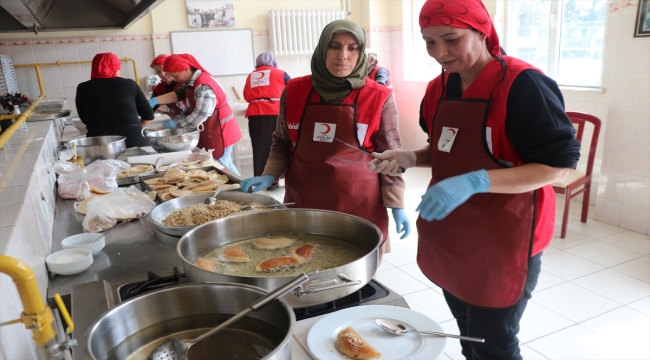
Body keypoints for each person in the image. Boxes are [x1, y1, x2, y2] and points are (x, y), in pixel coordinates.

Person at [368, 1, 581, 359]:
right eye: (430, 42)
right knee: (469, 333)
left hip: (506, 240)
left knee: (494, 344)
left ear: (481, 31)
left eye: (451, 39)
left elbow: (557, 167)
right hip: (456, 236)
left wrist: (474, 182)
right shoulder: (440, 89)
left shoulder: (523, 85)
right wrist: (410, 158)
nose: (440, 53)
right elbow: (447, 149)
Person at [240, 20, 411, 259]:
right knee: (301, 261)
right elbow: (281, 142)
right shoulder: (295, 91)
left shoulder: (378, 97)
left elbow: (390, 155)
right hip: (305, 198)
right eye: (334, 46)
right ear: (322, 49)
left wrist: (396, 204)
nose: (343, 55)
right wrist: (269, 174)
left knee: (354, 267)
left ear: (362, 53)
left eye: (353, 48)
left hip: (358, 201)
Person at [149, 54, 242, 175]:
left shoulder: (203, 86)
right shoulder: (190, 81)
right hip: (212, 131)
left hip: (220, 131)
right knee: (222, 165)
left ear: (186, 69)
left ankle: (240, 189)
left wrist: (178, 125)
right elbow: (182, 97)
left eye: (175, 76)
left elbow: (200, 114)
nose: (175, 79)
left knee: (222, 166)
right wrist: (156, 101)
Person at [75, 52, 154, 148]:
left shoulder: (83, 87)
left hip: (99, 140)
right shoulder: (129, 84)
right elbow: (149, 115)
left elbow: (85, 119)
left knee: (102, 163)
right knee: (140, 163)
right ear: (116, 68)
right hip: (134, 138)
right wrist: (135, 128)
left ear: (95, 68)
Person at [243, 52, 291, 179]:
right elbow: (292, 90)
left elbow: (246, 96)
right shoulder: (281, 73)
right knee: (279, 146)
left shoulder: (251, 76)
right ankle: (276, 178)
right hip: (275, 113)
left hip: (256, 115)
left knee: (259, 147)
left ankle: (259, 178)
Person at [149, 54, 187, 127]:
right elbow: (151, 108)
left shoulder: (183, 83)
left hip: (192, 121)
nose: (163, 74)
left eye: (164, 70)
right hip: (177, 122)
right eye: (158, 72)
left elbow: (177, 95)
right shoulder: (160, 87)